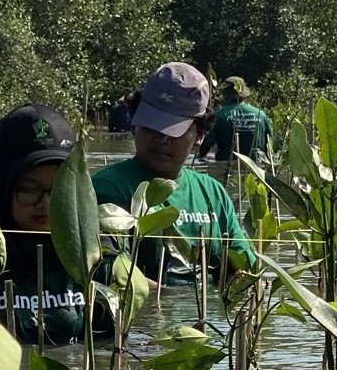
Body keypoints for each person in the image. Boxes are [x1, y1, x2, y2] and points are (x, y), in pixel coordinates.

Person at [0, 104, 109, 345]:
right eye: (29, 189)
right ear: (3, 187)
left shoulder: (98, 254)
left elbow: (108, 347)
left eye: (59, 189)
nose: (46, 204)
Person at [92, 61, 252, 286]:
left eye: (173, 130)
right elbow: (107, 272)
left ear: (200, 135)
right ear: (135, 123)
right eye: (151, 126)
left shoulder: (213, 193)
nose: (161, 138)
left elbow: (245, 267)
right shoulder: (107, 188)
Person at [203, 76, 274, 163]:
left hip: (225, 164)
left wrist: (200, 156)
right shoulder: (261, 114)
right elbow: (270, 143)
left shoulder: (219, 115)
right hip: (256, 166)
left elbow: (207, 143)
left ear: (225, 96)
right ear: (244, 95)